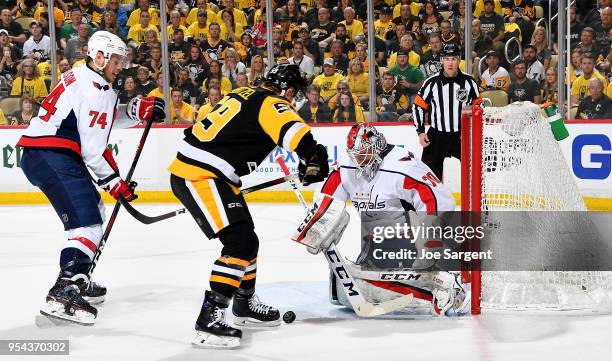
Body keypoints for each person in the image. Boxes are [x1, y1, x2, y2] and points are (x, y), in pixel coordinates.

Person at [166, 64, 329, 349]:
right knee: (239, 243)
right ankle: (210, 316)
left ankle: (244, 304)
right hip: (201, 175)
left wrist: (308, 161)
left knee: (247, 239)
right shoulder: (272, 102)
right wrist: (314, 156)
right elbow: (297, 134)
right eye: (295, 94)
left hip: (208, 171)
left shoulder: (244, 92)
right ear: (287, 90)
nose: (294, 99)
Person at [16, 31, 165, 325]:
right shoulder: (96, 89)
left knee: (94, 211)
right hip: (52, 153)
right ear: (99, 57)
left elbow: (99, 116)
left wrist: (133, 110)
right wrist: (115, 183)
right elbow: (94, 150)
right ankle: (65, 289)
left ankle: (81, 275)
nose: (120, 66)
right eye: (116, 60)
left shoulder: (85, 77)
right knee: (87, 223)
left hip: (44, 152)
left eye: (123, 61)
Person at [315, 124, 468, 317]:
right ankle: (427, 283)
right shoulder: (347, 165)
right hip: (374, 245)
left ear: (377, 145)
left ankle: (445, 286)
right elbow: (327, 200)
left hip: (409, 243)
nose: (358, 161)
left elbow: (441, 201)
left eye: (363, 154)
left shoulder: (403, 166)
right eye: (355, 155)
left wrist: (430, 244)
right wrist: (318, 225)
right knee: (343, 289)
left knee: (381, 289)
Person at [413, 43, 482, 180]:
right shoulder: (431, 82)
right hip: (437, 136)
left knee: (475, 175)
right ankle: (434, 202)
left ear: (459, 59)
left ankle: (474, 201)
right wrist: (420, 132)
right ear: (442, 60)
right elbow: (418, 106)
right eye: (447, 59)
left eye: (454, 59)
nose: (450, 63)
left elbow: (479, 109)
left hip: (463, 136)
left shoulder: (470, 82)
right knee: (429, 179)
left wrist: (473, 132)